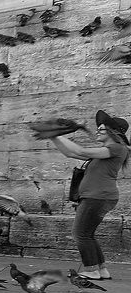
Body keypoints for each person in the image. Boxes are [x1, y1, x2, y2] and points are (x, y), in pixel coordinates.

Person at [49, 112, 129, 280]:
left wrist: (55, 133)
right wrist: (53, 137)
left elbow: (81, 150)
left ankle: (91, 270)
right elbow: (71, 153)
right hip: (97, 197)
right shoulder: (106, 152)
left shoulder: (117, 148)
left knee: (80, 234)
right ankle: (101, 270)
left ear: (113, 132)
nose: (97, 131)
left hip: (98, 197)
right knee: (87, 234)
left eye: (101, 129)